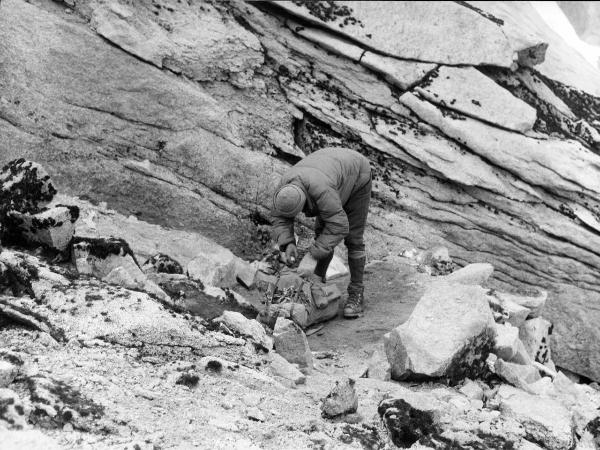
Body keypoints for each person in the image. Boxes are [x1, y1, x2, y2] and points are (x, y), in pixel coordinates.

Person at [270, 147, 372, 318]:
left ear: (304, 203)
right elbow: (280, 218)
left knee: (353, 238)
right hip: (331, 171)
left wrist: (312, 256)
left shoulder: (321, 191)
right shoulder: (284, 190)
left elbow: (339, 226)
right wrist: (287, 243)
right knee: (322, 234)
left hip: (357, 174)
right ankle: (316, 284)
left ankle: (356, 293)